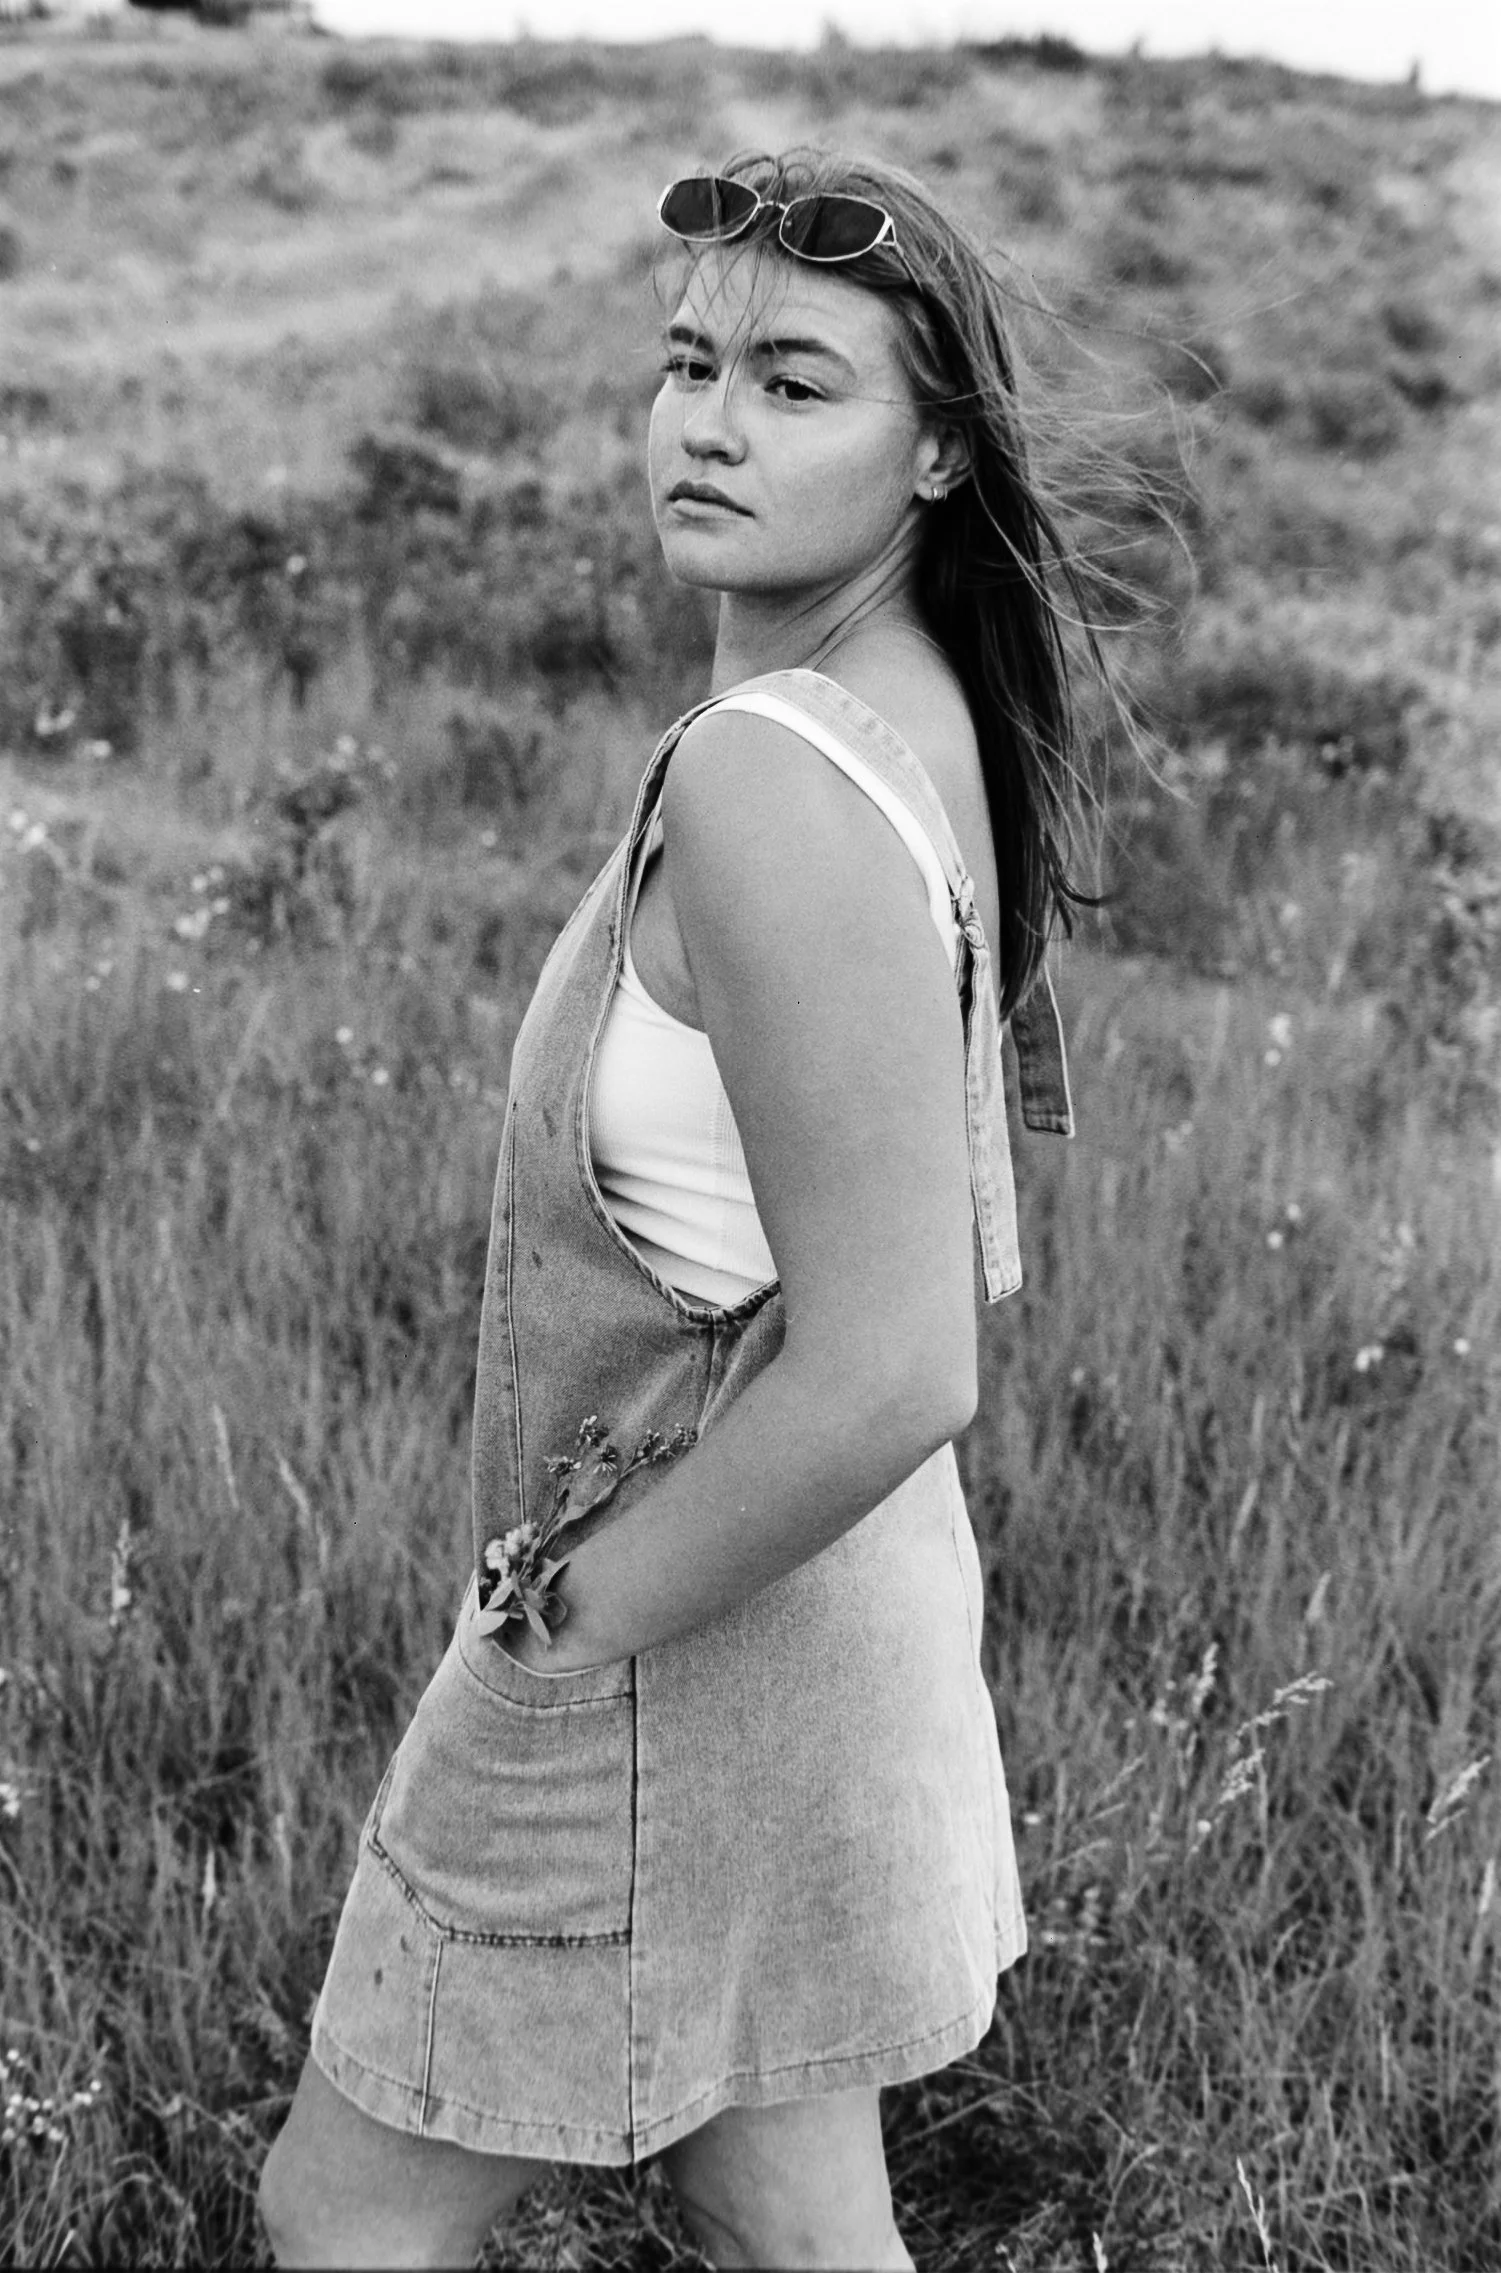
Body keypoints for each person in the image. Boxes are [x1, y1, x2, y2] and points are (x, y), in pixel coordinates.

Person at [259, 147, 1097, 2270]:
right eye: (689, 363)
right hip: (829, 1619)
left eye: (795, 382)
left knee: (341, 2218)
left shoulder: (773, 777)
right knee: (792, 2224)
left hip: (678, 1641)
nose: (710, 422)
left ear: (935, 451)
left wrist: (564, 1624)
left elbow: (900, 1360)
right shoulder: (917, 714)